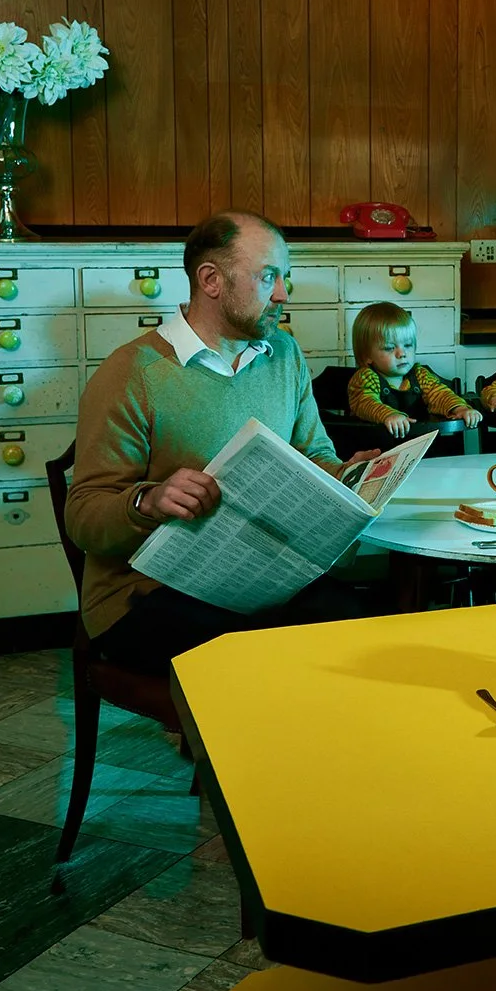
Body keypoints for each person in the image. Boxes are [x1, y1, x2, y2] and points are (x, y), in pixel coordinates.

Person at [66, 211, 384, 675]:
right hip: (144, 593)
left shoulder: (284, 355)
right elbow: (83, 516)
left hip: (261, 575)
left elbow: (314, 453)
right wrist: (149, 501)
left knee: (356, 630)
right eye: (268, 277)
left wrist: (348, 478)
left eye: (284, 277)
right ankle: (233, 743)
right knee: (253, 660)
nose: (282, 294)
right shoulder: (132, 374)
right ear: (211, 280)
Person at [347, 301, 482, 437]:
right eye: (389, 348)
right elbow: (365, 403)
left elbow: (439, 394)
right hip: (378, 450)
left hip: (421, 444)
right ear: (367, 356)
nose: (402, 354)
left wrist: (459, 408)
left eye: (408, 345)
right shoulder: (365, 377)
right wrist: (389, 415)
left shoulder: (420, 375)